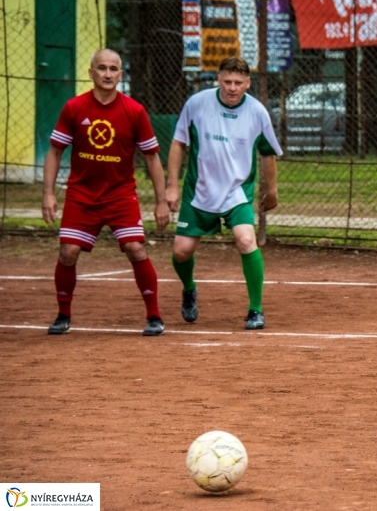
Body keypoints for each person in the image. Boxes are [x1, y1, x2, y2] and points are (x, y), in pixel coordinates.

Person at [41, 48, 169, 336]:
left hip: (121, 195)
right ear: (91, 73)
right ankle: (63, 315)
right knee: (68, 252)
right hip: (81, 195)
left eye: (113, 69)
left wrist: (161, 202)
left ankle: (154, 316)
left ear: (121, 75)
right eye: (102, 68)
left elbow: (151, 157)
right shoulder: (74, 108)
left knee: (136, 248)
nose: (108, 74)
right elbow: (55, 151)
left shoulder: (134, 111)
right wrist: (48, 193)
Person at [166, 56, 281, 330]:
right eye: (227, 81)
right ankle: (189, 288)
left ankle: (256, 310)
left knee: (245, 240)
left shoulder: (257, 112)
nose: (232, 88)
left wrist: (272, 190)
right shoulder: (197, 104)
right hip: (199, 191)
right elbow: (178, 143)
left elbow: (267, 154)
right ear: (218, 79)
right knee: (181, 252)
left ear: (247, 84)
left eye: (238, 83)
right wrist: (172, 184)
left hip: (236, 193)